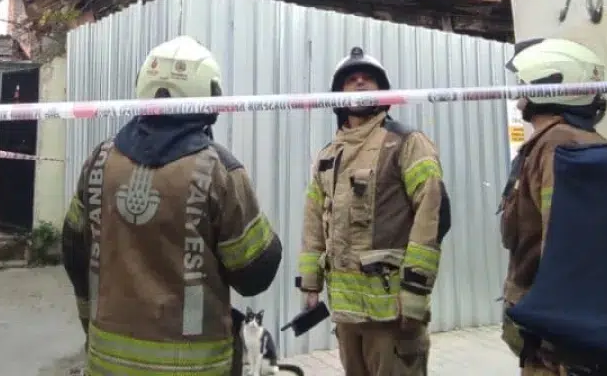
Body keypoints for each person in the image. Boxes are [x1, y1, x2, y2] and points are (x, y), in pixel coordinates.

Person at [60, 35, 283, 376]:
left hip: (108, 359)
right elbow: (254, 273)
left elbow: (74, 249)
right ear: (209, 97)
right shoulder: (218, 170)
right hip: (194, 365)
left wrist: (91, 320)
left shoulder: (101, 160)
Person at [297, 46, 452, 376]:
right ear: (338, 96)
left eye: (369, 79)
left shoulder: (407, 143)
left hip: (391, 314)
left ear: (385, 92)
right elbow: (313, 219)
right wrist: (311, 283)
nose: (360, 83)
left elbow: (432, 215)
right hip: (346, 315)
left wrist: (416, 291)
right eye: (351, 80)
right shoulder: (328, 154)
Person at [497, 38, 607, 375]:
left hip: (554, 345)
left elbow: (563, 245)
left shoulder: (558, 145)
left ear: (548, 84)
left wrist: (556, 337)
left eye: (524, 83)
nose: (518, 93)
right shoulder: (562, 142)